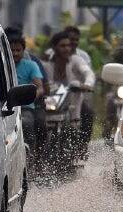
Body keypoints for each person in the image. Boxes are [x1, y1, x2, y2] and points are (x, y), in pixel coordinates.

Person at [43, 31, 95, 163]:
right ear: (54, 47)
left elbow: (88, 73)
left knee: (84, 116)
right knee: (41, 124)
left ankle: (81, 147)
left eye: (68, 46)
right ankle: (41, 156)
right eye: (62, 46)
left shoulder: (77, 60)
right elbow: (43, 80)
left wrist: (87, 84)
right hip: (52, 100)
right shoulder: (46, 63)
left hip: (73, 101)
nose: (67, 48)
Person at [11, 34, 46, 149]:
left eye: (18, 50)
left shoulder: (31, 65)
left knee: (26, 124)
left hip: (25, 106)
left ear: (23, 50)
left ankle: (30, 154)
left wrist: (31, 96)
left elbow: (39, 87)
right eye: (12, 50)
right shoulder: (0, 65)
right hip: (5, 107)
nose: (15, 53)